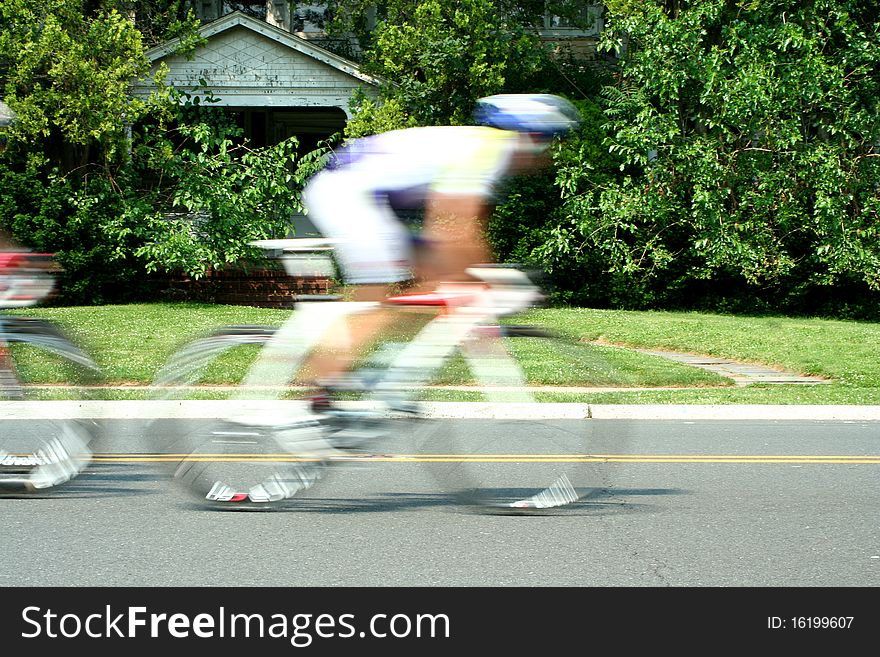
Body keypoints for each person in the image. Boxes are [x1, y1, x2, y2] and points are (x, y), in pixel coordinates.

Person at [299, 93, 582, 405]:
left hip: (370, 197)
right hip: (348, 194)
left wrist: (474, 276)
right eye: (550, 145)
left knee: (435, 284)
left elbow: (454, 232)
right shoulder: (490, 150)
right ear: (532, 137)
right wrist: (492, 279)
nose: (547, 159)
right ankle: (321, 380)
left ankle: (383, 371)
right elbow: (458, 229)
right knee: (377, 296)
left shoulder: (484, 150)